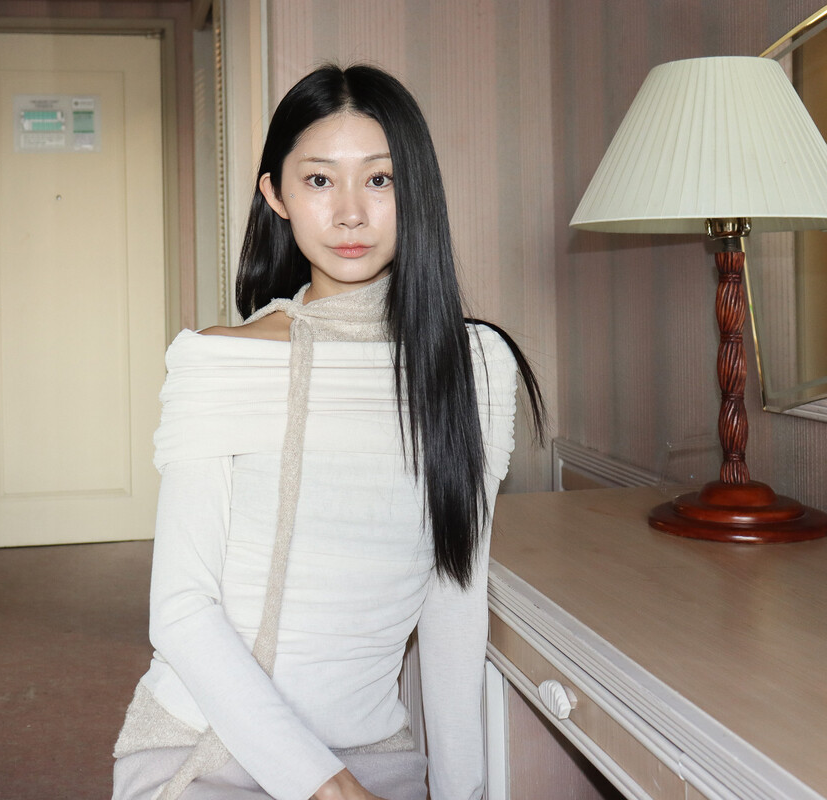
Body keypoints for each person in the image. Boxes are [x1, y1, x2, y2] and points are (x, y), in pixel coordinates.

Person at [112, 64, 545, 800]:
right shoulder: (219, 361)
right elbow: (182, 612)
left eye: (379, 180)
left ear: (417, 192)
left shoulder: (474, 366)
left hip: (373, 752)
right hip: (205, 746)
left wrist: (462, 790)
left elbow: (453, 599)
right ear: (276, 195)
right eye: (319, 181)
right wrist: (326, 786)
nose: (350, 214)